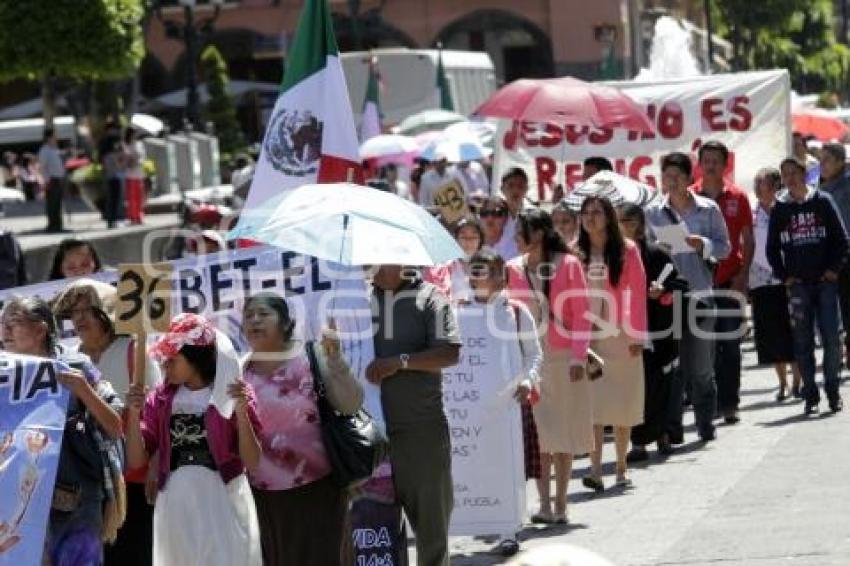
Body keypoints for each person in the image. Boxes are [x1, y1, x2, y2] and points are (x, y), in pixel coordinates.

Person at [125, 313, 263, 566]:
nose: (165, 365)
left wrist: (241, 412)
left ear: (195, 358)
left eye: (173, 359)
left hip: (222, 498)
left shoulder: (232, 392)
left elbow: (253, 461)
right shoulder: (161, 399)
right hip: (176, 502)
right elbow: (135, 460)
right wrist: (133, 415)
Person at [1, 296, 124, 565]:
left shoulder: (76, 366)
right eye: (1, 324)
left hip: (76, 502)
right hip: (19, 508)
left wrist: (84, 391)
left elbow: (115, 426)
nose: (4, 331)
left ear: (40, 329)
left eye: (13, 323)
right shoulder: (3, 374)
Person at [241, 293, 361, 564]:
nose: (255, 320)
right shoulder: (240, 370)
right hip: (265, 497)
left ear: (285, 323)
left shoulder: (312, 358)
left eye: (263, 314)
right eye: (249, 316)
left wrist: (336, 362)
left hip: (320, 489)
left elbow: (351, 404)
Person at [52, 279, 162, 566]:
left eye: (88, 309)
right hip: (94, 478)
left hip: (135, 476)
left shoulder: (134, 351)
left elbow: (159, 413)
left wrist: (158, 462)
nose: (80, 318)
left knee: (137, 552)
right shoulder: (72, 360)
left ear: (107, 313)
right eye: (74, 312)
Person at [367, 265, 462, 566]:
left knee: (432, 536)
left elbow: (450, 352)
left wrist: (400, 362)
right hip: (367, 435)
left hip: (421, 432)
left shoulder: (431, 297)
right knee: (371, 534)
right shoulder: (356, 301)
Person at [506, 209, 592, 524]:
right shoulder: (511, 270)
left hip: (564, 355)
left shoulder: (568, 265)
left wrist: (578, 357)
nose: (515, 238)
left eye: (520, 232)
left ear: (538, 234)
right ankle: (543, 503)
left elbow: (582, 314)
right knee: (541, 433)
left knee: (564, 432)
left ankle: (561, 501)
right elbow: (507, 317)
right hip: (530, 360)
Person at [646, 152, 730, 443]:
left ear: (688, 178)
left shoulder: (708, 209)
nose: (670, 182)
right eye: (666, 176)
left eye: (676, 176)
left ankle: (706, 421)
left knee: (701, 368)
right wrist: (657, 249)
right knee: (672, 368)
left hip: (700, 294)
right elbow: (642, 253)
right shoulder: (653, 213)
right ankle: (672, 429)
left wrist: (702, 244)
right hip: (667, 300)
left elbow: (725, 248)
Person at [465, 249, 542, 556]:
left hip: (509, 403)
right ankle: (480, 518)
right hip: (470, 406)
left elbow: (533, 354)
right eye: (475, 271)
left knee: (511, 465)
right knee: (477, 464)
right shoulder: (458, 312)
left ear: (501, 276)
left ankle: (510, 528)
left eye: (486, 271)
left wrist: (527, 380)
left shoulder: (517, 311)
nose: (479, 277)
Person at [767, 157, 849, 415]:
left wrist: (833, 271)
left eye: (794, 173)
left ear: (804, 174)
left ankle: (833, 390)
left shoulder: (822, 201)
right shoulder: (780, 208)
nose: (790, 178)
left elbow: (842, 240)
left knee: (831, 339)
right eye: (785, 175)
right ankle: (810, 393)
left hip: (825, 284)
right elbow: (771, 248)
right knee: (802, 342)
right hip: (798, 286)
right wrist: (784, 276)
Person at [576, 196, 647, 490]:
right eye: (586, 212)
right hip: (589, 337)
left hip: (621, 334)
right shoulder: (574, 253)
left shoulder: (627, 250)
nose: (591, 217)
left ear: (609, 218)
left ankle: (620, 465)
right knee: (593, 406)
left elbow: (638, 293)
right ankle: (594, 469)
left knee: (622, 403)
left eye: (597, 212)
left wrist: (636, 335)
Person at [618, 204, 688, 461]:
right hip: (626, 329)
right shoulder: (615, 256)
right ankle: (638, 441)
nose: (619, 225)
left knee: (661, 385)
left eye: (624, 220)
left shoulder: (656, 253)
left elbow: (681, 284)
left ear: (636, 223)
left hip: (658, 329)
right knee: (636, 386)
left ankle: (663, 434)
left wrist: (662, 289)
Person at [693, 141, 754, 425]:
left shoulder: (738, 197)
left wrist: (744, 275)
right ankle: (710, 403)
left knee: (730, 345)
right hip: (699, 284)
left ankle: (730, 403)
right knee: (705, 348)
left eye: (716, 160)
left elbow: (748, 238)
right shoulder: (689, 196)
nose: (711, 165)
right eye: (706, 160)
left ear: (725, 163)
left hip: (729, 281)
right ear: (700, 163)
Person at [749, 168, 801, 401]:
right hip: (760, 279)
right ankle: (781, 382)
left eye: (767, 183)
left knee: (792, 330)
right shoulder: (750, 214)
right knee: (771, 334)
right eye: (758, 183)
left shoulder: (787, 210)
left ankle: (798, 380)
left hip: (786, 276)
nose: (762, 188)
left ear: (776, 186)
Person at [818, 143, 850, 369]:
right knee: (830, 309)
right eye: (821, 159)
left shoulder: (847, 184)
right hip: (827, 258)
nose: (822, 164)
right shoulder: (820, 187)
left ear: (841, 161)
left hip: (846, 256)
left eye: (827, 159)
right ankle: (835, 351)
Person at [424, 217, 484, 303]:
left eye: (474, 237)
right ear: (456, 240)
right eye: (463, 236)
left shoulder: (491, 270)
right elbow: (429, 301)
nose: (468, 241)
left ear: (480, 241)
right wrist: (453, 303)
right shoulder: (437, 271)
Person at [38, 127, 66, 232]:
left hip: (58, 179)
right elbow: (42, 167)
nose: (56, 138)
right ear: (49, 137)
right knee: (52, 203)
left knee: (58, 203)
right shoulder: (44, 150)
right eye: (54, 135)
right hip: (51, 180)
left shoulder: (54, 150)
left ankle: (58, 224)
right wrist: (46, 180)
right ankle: (52, 225)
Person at [100, 121, 125, 229]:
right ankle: (112, 219)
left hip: (116, 172)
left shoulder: (117, 140)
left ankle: (115, 219)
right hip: (112, 172)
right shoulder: (106, 142)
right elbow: (106, 157)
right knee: (113, 197)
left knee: (116, 197)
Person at [480, 197, 519, 261]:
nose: (490, 218)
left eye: (497, 213)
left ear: (506, 218)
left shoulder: (516, 245)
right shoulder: (468, 241)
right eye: (485, 213)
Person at [123, 128, 146, 225]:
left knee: (139, 196)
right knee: (132, 197)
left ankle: (139, 216)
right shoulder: (125, 145)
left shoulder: (139, 144)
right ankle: (133, 216)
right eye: (133, 134)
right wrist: (129, 160)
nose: (134, 136)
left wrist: (139, 160)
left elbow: (143, 156)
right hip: (129, 173)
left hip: (139, 172)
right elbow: (124, 157)